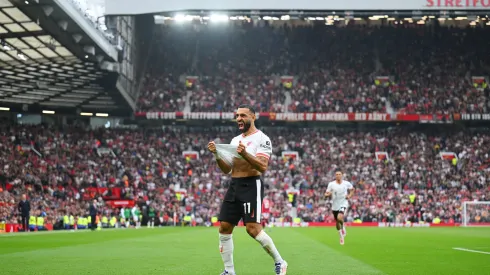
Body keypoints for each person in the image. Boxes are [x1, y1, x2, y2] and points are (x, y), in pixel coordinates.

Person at [207, 104, 288, 275]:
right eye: (237, 116)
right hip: (234, 185)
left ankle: (280, 261)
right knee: (224, 227)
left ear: (253, 116)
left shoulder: (262, 138)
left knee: (253, 229)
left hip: (251, 185)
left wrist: (245, 154)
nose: (239, 119)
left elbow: (263, 166)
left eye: (243, 115)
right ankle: (229, 271)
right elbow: (227, 169)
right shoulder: (235, 140)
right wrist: (216, 155)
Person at [325, 170, 355, 245]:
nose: (338, 175)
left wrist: (349, 196)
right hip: (335, 204)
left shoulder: (346, 183)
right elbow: (326, 193)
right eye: (337, 174)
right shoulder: (331, 184)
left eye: (339, 174)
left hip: (343, 203)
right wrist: (328, 194)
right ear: (335, 176)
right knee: (338, 222)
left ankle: (342, 235)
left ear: (342, 175)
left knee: (339, 217)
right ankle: (341, 235)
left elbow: (352, 189)